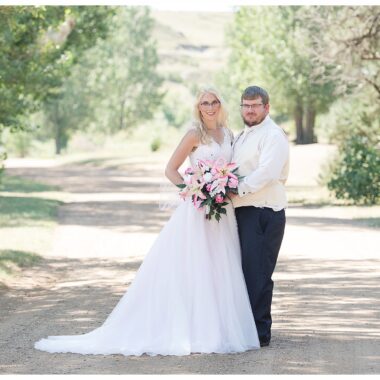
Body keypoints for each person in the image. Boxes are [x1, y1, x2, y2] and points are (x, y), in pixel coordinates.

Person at [34, 87, 260, 356]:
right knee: (195, 267)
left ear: (221, 105)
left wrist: (221, 188)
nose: (209, 107)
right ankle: (192, 330)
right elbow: (170, 169)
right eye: (204, 103)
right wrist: (196, 189)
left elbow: (229, 170)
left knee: (220, 268)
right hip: (198, 211)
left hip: (222, 213)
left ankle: (220, 330)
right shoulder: (194, 134)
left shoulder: (228, 134)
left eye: (214, 102)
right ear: (198, 108)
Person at [231, 85, 289, 348]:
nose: (250, 110)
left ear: (267, 107)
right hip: (244, 211)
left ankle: (259, 333)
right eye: (246, 105)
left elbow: (267, 172)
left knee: (258, 273)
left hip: (264, 213)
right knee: (244, 271)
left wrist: (235, 190)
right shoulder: (243, 135)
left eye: (255, 105)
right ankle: (245, 329)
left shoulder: (273, 135)